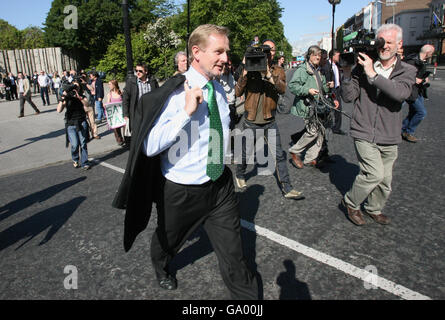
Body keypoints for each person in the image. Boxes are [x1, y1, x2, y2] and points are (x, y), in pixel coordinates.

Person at [112, 24, 259, 299]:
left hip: (220, 186)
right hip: (181, 191)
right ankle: (161, 266)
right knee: (167, 243)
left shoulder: (219, 87)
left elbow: (224, 127)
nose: (226, 58)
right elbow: (149, 145)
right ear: (196, 52)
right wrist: (185, 113)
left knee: (235, 256)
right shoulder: (175, 94)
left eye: (226, 52)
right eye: (219, 51)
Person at [340, 24, 416, 226]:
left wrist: (373, 74)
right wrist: (347, 75)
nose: (384, 47)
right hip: (363, 130)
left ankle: (374, 208)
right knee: (374, 173)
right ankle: (350, 202)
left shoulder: (407, 70)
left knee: (385, 181)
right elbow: (348, 97)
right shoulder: (362, 67)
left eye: (389, 42)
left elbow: (400, 94)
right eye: (381, 42)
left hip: (389, 134)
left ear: (399, 44)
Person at [234, 39, 304, 200]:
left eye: (271, 50)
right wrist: (245, 73)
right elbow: (237, 93)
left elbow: (282, 89)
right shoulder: (250, 68)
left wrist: (267, 74)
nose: (268, 53)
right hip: (251, 120)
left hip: (269, 120)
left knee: (279, 155)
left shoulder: (277, 70)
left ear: (274, 52)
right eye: (264, 49)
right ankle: (240, 174)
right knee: (245, 152)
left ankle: (287, 188)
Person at [288, 45, 334, 169]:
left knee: (320, 133)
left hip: (318, 106)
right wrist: (307, 90)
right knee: (313, 132)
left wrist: (328, 86)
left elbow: (322, 88)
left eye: (319, 55)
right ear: (309, 56)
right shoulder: (303, 70)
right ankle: (295, 150)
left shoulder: (318, 70)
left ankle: (309, 158)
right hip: (308, 106)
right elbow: (292, 86)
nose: (317, 57)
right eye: (315, 55)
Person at [401, 44, 435, 143]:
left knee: (414, 112)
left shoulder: (421, 61)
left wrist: (424, 78)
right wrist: (415, 79)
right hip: (411, 91)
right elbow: (404, 75)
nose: (432, 55)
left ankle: (403, 130)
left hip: (418, 91)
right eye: (432, 53)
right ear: (428, 53)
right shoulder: (412, 61)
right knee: (421, 112)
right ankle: (408, 132)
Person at [122, 62, 159, 144]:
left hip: (150, 113)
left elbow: (158, 96)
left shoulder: (152, 81)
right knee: (137, 134)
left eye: (140, 71)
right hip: (136, 113)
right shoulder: (131, 82)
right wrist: (125, 114)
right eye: (136, 70)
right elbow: (125, 99)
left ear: (146, 71)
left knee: (150, 133)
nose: (137, 72)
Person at [57, 81, 91, 171]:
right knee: (75, 144)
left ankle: (85, 162)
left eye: (77, 86)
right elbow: (59, 110)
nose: (76, 88)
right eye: (74, 86)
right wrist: (63, 98)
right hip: (71, 124)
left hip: (81, 122)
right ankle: (75, 159)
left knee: (83, 143)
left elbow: (87, 104)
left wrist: (79, 97)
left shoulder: (81, 97)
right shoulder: (68, 98)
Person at [106, 80, 125, 145]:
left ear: (114, 85)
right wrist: (105, 105)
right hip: (114, 114)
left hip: (121, 112)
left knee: (125, 126)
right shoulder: (109, 94)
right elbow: (108, 104)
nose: (109, 86)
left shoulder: (120, 93)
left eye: (110, 84)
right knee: (116, 128)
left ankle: (127, 138)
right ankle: (119, 139)